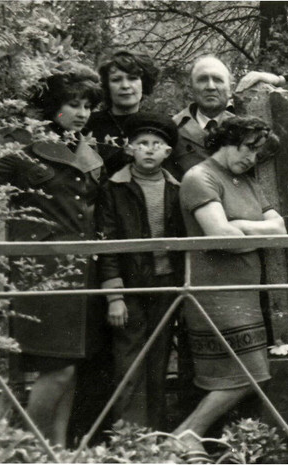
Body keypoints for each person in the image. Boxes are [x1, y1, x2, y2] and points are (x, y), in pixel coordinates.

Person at [0, 62, 105, 447]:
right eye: (73, 104)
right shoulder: (23, 147)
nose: (81, 112)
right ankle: (28, 448)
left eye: (88, 106)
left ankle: (55, 450)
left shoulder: (85, 146)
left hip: (84, 274)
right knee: (56, 369)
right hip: (44, 272)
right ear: (52, 106)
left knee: (70, 368)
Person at [174, 116, 286, 454]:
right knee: (246, 375)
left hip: (245, 294)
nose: (252, 158)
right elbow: (222, 238)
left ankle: (193, 437)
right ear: (228, 139)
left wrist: (240, 226)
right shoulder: (199, 177)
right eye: (249, 149)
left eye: (258, 153)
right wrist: (245, 231)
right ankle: (187, 432)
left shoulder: (246, 181)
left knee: (249, 374)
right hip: (214, 292)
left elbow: (280, 230)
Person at [96, 112, 185, 429]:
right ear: (129, 149)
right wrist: (114, 295)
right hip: (130, 289)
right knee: (129, 362)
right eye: (141, 143)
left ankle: (156, 435)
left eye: (156, 144)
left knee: (158, 361)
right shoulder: (115, 187)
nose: (149, 149)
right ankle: (130, 438)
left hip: (165, 287)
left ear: (167, 152)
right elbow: (106, 243)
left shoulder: (176, 188)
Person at [85, 50, 160, 175]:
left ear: (144, 83)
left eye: (132, 78)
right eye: (116, 80)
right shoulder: (88, 123)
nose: (125, 85)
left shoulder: (156, 125)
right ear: (107, 86)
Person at [166, 56, 237, 180]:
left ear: (231, 89)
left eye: (218, 80)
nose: (210, 86)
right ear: (191, 89)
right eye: (202, 79)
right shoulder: (173, 128)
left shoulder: (243, 126)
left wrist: (277, 79)